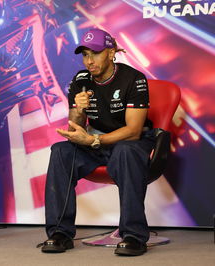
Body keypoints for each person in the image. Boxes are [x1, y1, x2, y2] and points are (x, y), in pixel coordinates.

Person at [41, 28, 155, 256]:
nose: (89, 61)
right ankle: (60, 233)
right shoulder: (81, 80)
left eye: (95, 53)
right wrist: (78, 109)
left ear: (111, 53)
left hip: (131, 142)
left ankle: (133, 235)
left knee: (125, 151)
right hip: (98, 142)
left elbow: (133, 131)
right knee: (61, 151)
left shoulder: (133, 78)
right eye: (85, 54)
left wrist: (93, 140)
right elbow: (75, 125)